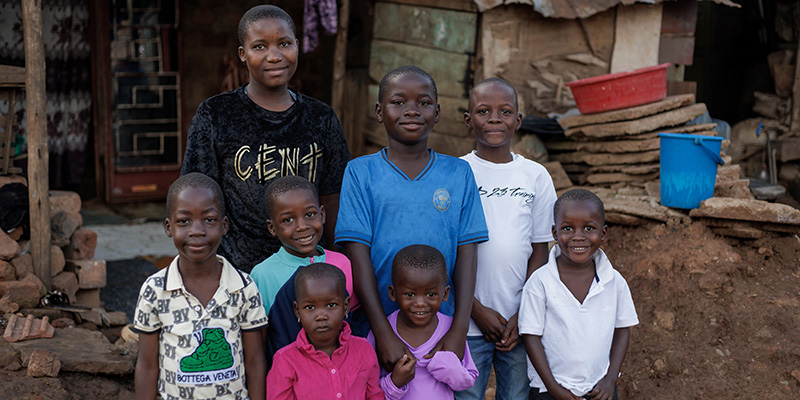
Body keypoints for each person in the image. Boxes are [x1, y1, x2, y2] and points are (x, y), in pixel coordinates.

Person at [334, 65, 488, 371]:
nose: (412, 110)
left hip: (440, 331)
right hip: (375, 326)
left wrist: (458, 330)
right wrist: (382, 332)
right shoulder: (360, 172)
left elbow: (467, 253)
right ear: (379, 111)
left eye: (424, 102)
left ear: (438, 112)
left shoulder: (458, 173)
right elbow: (357, 256)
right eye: (398, 102)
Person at [181, 4, 350, 272]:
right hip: (237, 272)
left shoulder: (321, 118)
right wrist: (204, 267)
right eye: (260, 46)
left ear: (296, 45)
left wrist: (334, 261)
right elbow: (198, 197)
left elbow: (332, 197)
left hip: (308, 273)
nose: (274, 56)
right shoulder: (216, 115)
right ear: (243, 54)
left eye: (284, 44)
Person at [456, 78, 557, 400]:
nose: (495, 119)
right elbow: (447, 251)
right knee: (467, 395)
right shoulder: (456, 173)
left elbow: (540, 249)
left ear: (518, 121)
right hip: (468, 321)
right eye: (484, 111)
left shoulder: (536, 176)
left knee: (515, 395)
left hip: (519, 322)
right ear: (469, 120)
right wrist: (474, 308)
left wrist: (524, 313)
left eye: (505, 111)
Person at [133, 172, 268, 400]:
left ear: (224, 225)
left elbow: (255, 362)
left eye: (209, 220)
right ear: (168, 227)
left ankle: (214, 350)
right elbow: (146, 366)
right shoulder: (154, 290)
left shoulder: (244, 287)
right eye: (184, 221)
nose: (197, 230)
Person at [519, 189, 639, 400]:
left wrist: (611, 379)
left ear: (603, 233)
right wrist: (555, 389)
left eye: (589, 228)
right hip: (549, 392)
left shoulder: (614, 282)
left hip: (601, 390)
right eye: (567, 228)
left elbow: (622, 330)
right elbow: (531, 337)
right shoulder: (539, 282)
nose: (578, 236)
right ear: (555, 233)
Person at [249, 175, 358, 366]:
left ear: (322, 214)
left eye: (309, 215)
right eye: (288, 219)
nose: (302, 226)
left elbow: (353, 324)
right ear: (272, 228)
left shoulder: (342, 264)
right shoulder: (262, 274)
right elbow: (260, 342)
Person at [368, 245, 479, 400]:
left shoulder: (450, 329)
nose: (420, 303)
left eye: (431, 294)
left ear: (445, 294)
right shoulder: (382, 334)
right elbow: (369, 389)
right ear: (393, 293)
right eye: (410, 294)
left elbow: (468, 380)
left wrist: (449, 368)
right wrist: (395, 383)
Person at [267, 263, 384, 400]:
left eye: (331, 305)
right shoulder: (285, 360)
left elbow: (374, 395)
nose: (321, 316)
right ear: (297, 311)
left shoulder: (364, 350)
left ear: (346, 307)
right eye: (310, 307)